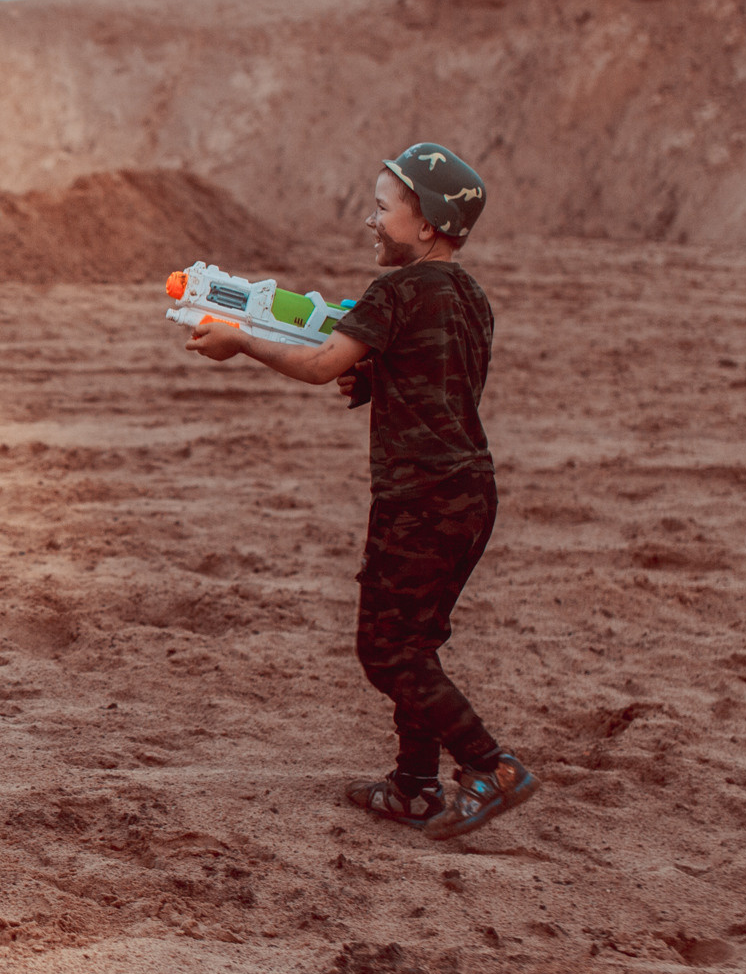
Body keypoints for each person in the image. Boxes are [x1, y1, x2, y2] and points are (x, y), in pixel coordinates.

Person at [183, 143, 539, 840]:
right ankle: (414, 785)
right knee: (415, 643)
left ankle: (490, 766)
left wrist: (242, 341)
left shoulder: (396, 293)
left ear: (428, 226)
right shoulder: (470, 296)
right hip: (471, 495)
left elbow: (320, 364)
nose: (369, 221)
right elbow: (440, 376)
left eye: (382, 209)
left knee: (387, 652)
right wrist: (374, 380)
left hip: (418, 500)